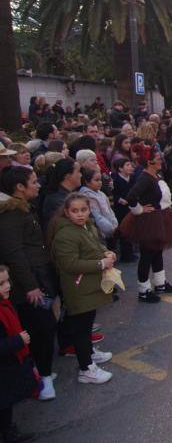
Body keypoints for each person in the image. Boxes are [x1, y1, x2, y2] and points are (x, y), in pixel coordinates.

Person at [0, 166, 59, 401]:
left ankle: (39, 372)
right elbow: (14, 253)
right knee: (42, 328)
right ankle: (42, 378)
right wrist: (30, 285)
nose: (38, 185)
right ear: (19, 187)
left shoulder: (21, 209)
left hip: (36, 276)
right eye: (33, 182)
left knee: (43, 327)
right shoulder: (11, 214)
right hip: (28, 284)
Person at [49, 193, 115, 384]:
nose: (80, 214)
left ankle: (89, 354)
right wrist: (101, 264)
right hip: (78, 288)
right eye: (74, 211)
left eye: (83, 210)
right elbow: (69, 264)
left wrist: (106, 252)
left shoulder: (86, 226)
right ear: (66, 212)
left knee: (87, 324)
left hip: (89, 285)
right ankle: (86, 368)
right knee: (81, 328)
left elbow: (95, 245)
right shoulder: (65, 234)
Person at [119, 145, 172, 303]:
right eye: (157, 159)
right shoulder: (145, 178)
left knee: (157, 252)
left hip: (159, 217)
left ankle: (160, 283)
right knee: (147, 256)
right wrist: (139, 210)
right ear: (149, 162)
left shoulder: (153, 175)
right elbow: (131, 196)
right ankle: (144, 290)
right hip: (149, 221)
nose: (160, 160)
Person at [0, 264, 37, 443]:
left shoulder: (5, 304)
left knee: (7, 404)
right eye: (1, 284)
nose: (7, 286)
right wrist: (18, 341)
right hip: (4, 368)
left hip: (8, 367)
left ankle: (8, 431)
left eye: (7, 281)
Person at [79, 168, 118, 245]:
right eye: (96, 180)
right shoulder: (87, 196)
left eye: (100, 180)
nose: (100, 182)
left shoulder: (101, 194)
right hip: (99, 232)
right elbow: (96, 215)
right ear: (87, 182)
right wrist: (109, 228)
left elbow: (109, 210)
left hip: (110, 229)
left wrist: (114, 223)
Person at [111, 159, 136, 263]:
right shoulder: (115, 179)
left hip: (130, 207)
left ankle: (131, 252)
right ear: (120, 168)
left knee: (131, 230)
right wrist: (120, 200)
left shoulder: (132, 178)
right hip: (120, 209)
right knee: (124, 231)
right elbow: (113, 194)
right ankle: (125, 255)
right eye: (127, 165)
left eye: (131, 164)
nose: (131, 167)